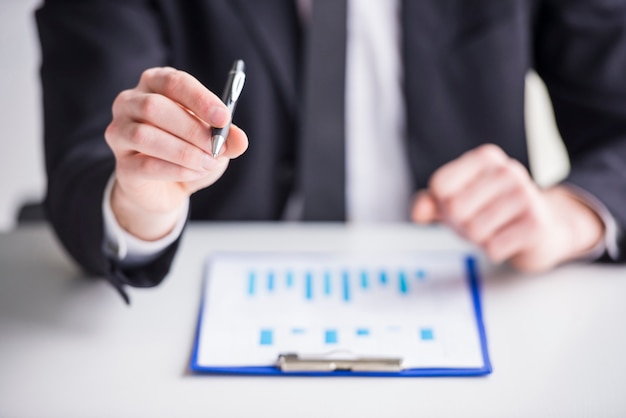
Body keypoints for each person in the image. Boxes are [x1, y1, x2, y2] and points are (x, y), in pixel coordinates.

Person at [36, 0, 626, 302]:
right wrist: (139, 201)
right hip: (190, 306)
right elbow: (85, 155)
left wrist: (570, 214)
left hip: (468, 292)